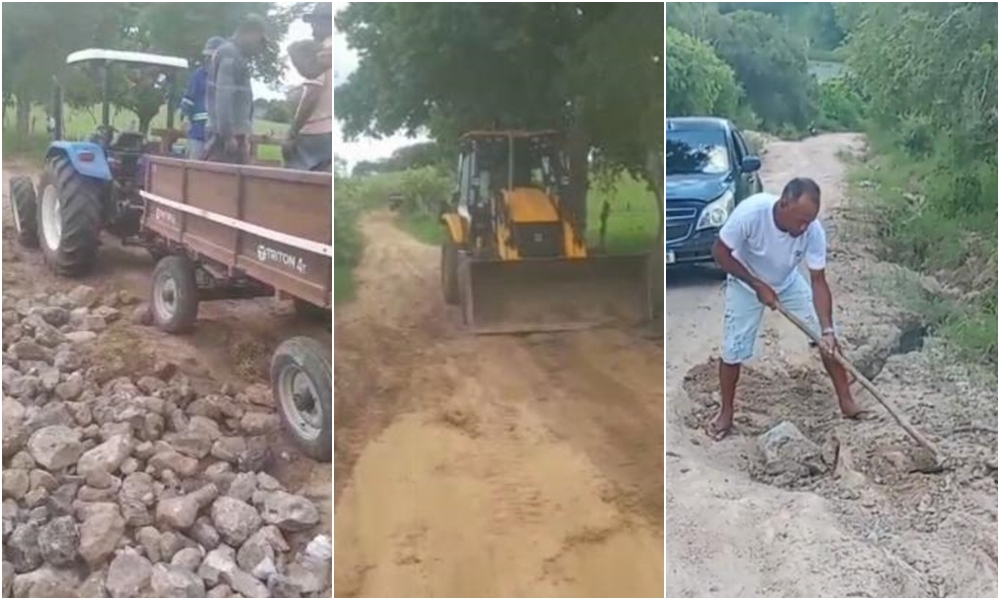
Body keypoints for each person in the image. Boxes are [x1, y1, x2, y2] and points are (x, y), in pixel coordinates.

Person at [707, 177, 864, 441]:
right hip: (745, 282)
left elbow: (818, 281)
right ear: (783, 204)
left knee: (827, 339)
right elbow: (720, 252)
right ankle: (726, 413)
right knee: (734, 348)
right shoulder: (751, 213)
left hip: (788, 283)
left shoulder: (813, 231)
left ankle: (847, 401)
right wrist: (756, 284)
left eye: (810, 221)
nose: (804, 227)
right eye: (801, 220)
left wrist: (826, 329)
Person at [204, 14, 269, 164]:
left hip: (231, 133)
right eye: (259, 39)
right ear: (251, 33)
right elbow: (224, 96)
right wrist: (227, 135)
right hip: (225, 136)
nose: (259, 47)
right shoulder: (230, 54)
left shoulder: (234, 54)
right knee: (223, 181)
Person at [284, 3, 332, 171]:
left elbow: (312, 92)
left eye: (314, 22)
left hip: (317, 131)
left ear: (324, 22)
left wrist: (292, 132)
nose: (312, 28)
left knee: (297, 181)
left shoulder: (324, 50)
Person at [181, 36, 225, 160]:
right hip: (198, 131)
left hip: (220, 135)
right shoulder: (199, 75)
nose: (209, 59)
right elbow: (188, 99)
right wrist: (186, 118)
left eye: (212, 56)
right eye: (208, 56)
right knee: (195, 166)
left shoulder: (227, 78)